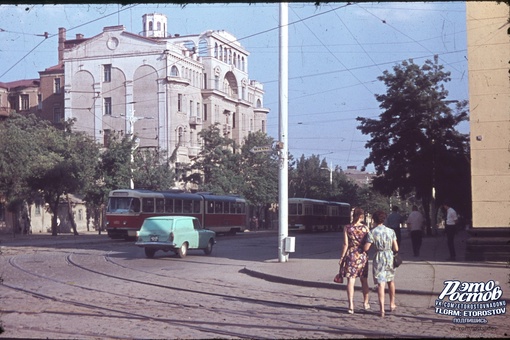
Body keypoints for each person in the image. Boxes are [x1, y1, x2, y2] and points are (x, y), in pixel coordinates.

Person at [364, 210, 399, 317]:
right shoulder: (391, 231)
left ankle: (381, 309)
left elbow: (366, 248)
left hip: (379, 257)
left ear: (374, 219)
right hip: (389, 257)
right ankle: (392, 304)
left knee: (380, 283)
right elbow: (396, 248)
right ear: (384, 219)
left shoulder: (372, 232)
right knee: (391, 281)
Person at [339, 207, 370, 314]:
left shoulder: (347, 228)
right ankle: (366, 303)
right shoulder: (366, 228)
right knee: (364, 280)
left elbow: (345, 244)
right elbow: (369, 242)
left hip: (351, 255)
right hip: (362, 256)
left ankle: (351, 305)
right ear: (361, 216)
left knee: (350, 280)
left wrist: (342, 257)